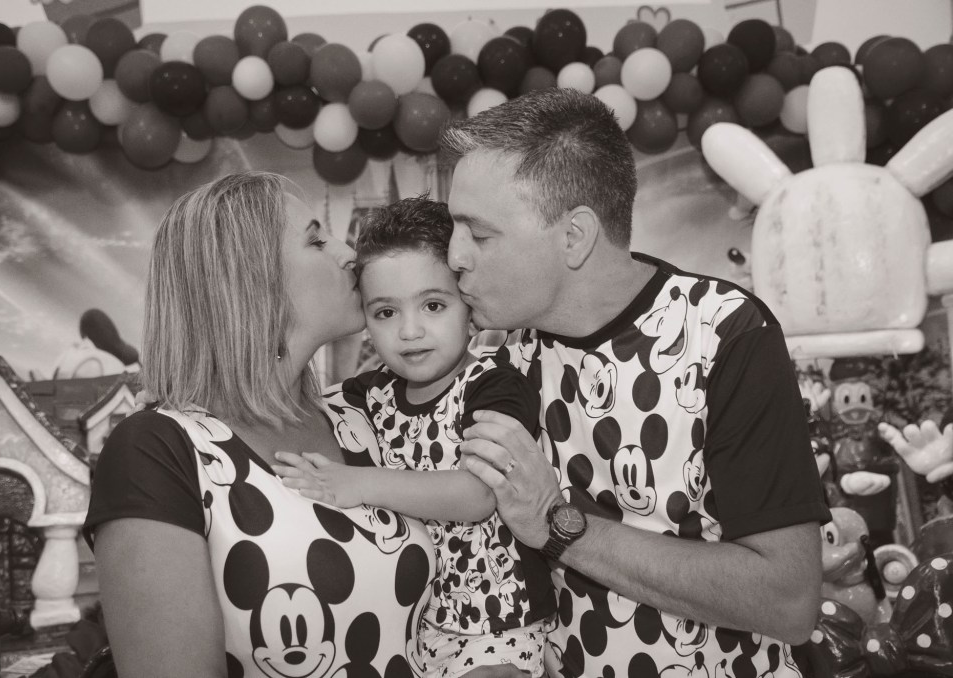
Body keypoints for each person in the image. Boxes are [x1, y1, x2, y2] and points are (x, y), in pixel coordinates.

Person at [438, 88, 831, 678]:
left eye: (479, 234)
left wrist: (557, 525)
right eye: (454, 229)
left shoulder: (722, 332)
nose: (455, 256)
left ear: (574, 236)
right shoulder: (503, 361)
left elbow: (788, 599)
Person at [83, 172, 439, 678]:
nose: (350, 254)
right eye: (316, 240)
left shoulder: (369, 412)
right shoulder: (157, 450)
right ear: (248, 279)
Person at [272, 197, 555, 678]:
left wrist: (357, 483)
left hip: (499, 620)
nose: (409, 330)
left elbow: (478, 494)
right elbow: (284, 398)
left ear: (470, 309)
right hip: (417, 625)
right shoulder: (370, 393)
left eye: (433, 305)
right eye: (385, 312)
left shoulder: (494, 385)